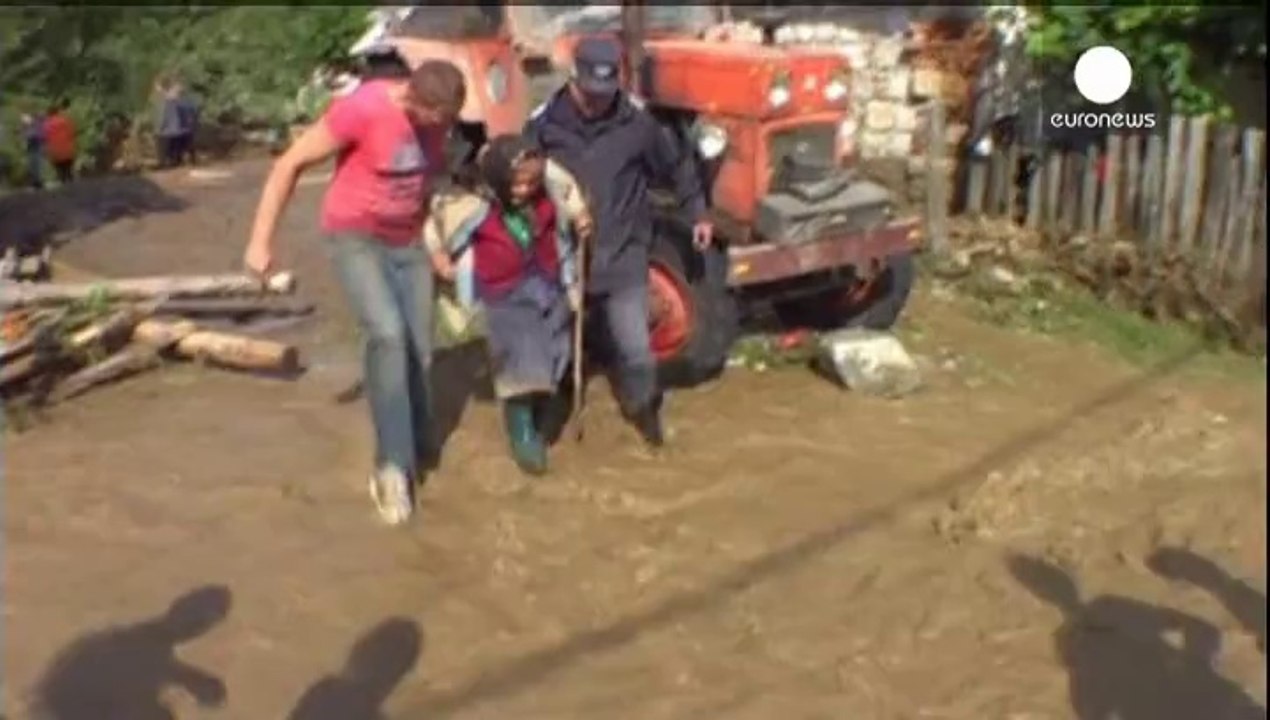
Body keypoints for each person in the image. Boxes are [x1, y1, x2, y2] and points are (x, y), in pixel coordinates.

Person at [242, 59, 466, 527]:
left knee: (422, 351)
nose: (439, 130)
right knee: (386, 335)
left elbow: (422, 188)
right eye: (433, 121)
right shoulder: (362, 110)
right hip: (355, 236)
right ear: (412, 100)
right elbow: (290, 164)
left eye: (446, 122)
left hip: (408, 241)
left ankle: (417, 442)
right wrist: (261, 242)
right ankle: (389, 468)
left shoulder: (437, 124)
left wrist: (436, 245)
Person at [524, 37, 713, 448]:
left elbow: (677, 167)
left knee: (637, 352)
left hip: (623, 254)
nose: (596, 103)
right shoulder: (544, 126)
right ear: (573, 78)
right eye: (589, 94)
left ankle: (642, 412)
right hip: (564, 258)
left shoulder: (639, 126)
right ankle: (544, 421)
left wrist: (697, 212)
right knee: (552, 352)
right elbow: (519, 181)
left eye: (605, 94)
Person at [427, 134, 585, 475]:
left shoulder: (549, 194)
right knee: (520, 361)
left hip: (549, 284)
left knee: (556, 354)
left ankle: (542, 407)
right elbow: (435, 223)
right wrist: (441, 258)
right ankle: (522, 428)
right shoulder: (474, 208)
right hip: (505, 294)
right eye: (517, 184)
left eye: (531, 182)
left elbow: (567, 192)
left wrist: (580, 216)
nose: (525, 190)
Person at [43, 101, 77, 185]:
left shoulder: (46, 124)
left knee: (60, 169)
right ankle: (69, 179)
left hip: (55, 152)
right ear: (57, 112)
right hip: (67, 150)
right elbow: (71, 134)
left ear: (48, 113)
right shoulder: (65, 121)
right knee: (67, 168)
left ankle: (62, 180)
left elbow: (45, 138)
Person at [20, 112, 45, 189]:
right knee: (33, 166)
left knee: (35, 165)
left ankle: (37, 181)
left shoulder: (33, 129)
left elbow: (34, 137)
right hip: (33, 149)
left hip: (35, 149)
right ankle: (36, 181)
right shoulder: (31, 128)